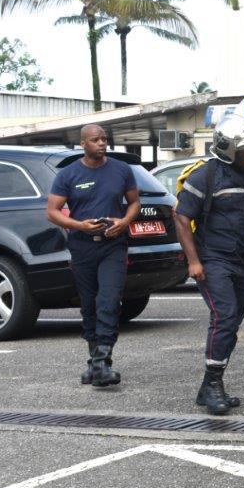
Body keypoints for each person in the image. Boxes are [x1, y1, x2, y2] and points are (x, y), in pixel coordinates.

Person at [174, 116, 244, 415]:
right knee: (224, 315)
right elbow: (181, 218)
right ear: (228, 150)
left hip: (242, 260)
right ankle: (213, 386)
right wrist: (194, 262)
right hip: (213, 260)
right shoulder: (204, 177)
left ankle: (208, 385)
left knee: (233, 320)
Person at [46, 124, 139, 387]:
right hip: (82, 246)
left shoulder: (122, 170)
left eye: (104, 139)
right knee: (88, 304)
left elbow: (134, 202)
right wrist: (79, 225)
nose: (102, 143)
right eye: (96, 140)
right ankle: (93, 361)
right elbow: (52, 211)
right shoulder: (69, 174)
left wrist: (123, 222)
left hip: (113, 245)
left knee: (109, 300)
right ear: (83, 144)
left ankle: (102, 361)